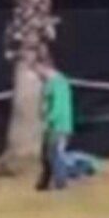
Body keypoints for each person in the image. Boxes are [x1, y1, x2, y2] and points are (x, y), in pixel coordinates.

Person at [35, 60, 75, 191]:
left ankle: (61, 184)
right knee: (46, 156)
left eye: (38, 70)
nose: (37, 74)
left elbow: (58, 107)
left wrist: (48, 119)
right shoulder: (49, 84)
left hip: (59, 126)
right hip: (51, 126)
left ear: (45, 67)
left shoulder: (59, 83)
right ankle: (44, 184)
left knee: (55, 155)